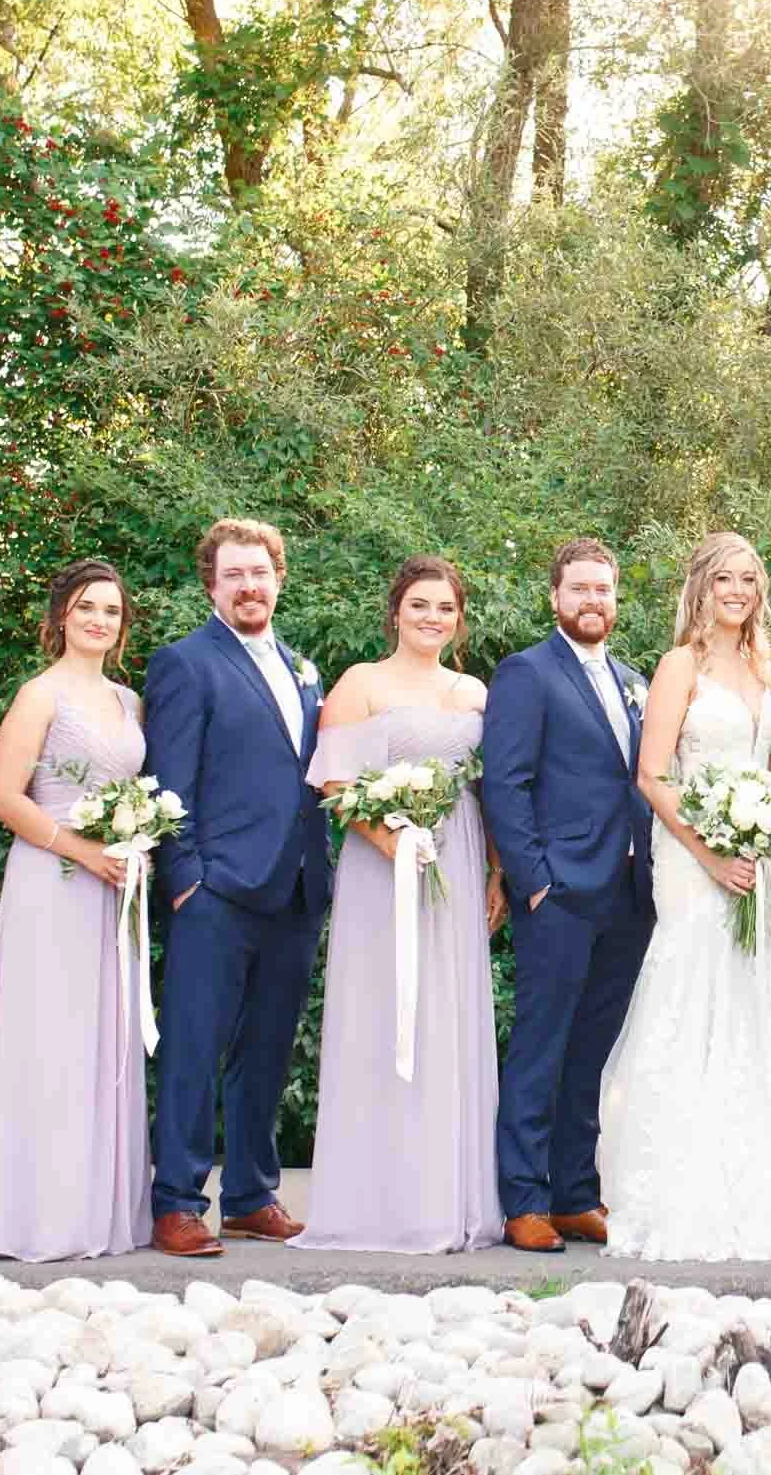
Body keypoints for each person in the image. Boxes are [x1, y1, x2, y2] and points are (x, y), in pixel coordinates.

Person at [597, 531, 771, 1259]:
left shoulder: (766, 667)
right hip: (691, 857)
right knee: (691, 992)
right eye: (725, 579)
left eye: (750, 578)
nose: (740, 590)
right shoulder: (679, 665)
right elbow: (653, 775)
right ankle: (674, 1174)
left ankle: (756, 1161)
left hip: (754, 859)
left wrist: (770, 830)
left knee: (748, 999)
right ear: (701, 588)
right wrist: (712, 852)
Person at [294, 556, 507, 1253]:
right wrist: (388, 839)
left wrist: (496, 873)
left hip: (460, 856)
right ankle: (378, 1201)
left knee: (449, 1015)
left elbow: (487, 790)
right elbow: (333, 780)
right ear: (395, 611)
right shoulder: (362, 683)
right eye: (419, 604)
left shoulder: (474, 691)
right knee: (382, 1013)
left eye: (444, 607)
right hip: (381, 868)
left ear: (458, 617)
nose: (431, 617)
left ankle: (447, 1198)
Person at [0, 559, 152, 1260]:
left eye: (112, 611)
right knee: (54, 1037)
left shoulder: (130, 704)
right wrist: (84, 849)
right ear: (61, 614)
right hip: (54, 877)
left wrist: (135, 842)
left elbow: (134, 789)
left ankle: (97, 1208)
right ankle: (40, 1214)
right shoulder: (40, 695)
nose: (101, 619)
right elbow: (4, 796)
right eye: (88, 607)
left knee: (107, 1038)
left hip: (115, 885)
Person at [143, 518, 332, 1258]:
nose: (250, 585)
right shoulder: (186, 664)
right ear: (212, 584)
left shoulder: (303, 667)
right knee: (195, 1043)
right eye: (235, 575)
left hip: (294, 888)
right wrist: (186, 879)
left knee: (268, 1049)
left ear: (279, 577)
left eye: (261, 572)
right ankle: (178, 1201)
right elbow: (169, 780)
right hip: (217, 889)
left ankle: (252, 1195)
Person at [481, 538, 657, 1253]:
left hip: (629, 889)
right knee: (540, 1044)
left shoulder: (633, 678)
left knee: (592, 1047)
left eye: (604, 590)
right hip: (559, 890)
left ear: (616, 600)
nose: (593, 601)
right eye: (580, 589)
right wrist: (534, 881)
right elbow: (506, 782)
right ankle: (523, 1198)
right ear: (555, 597)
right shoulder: (526, 673)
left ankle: (574, 1192)